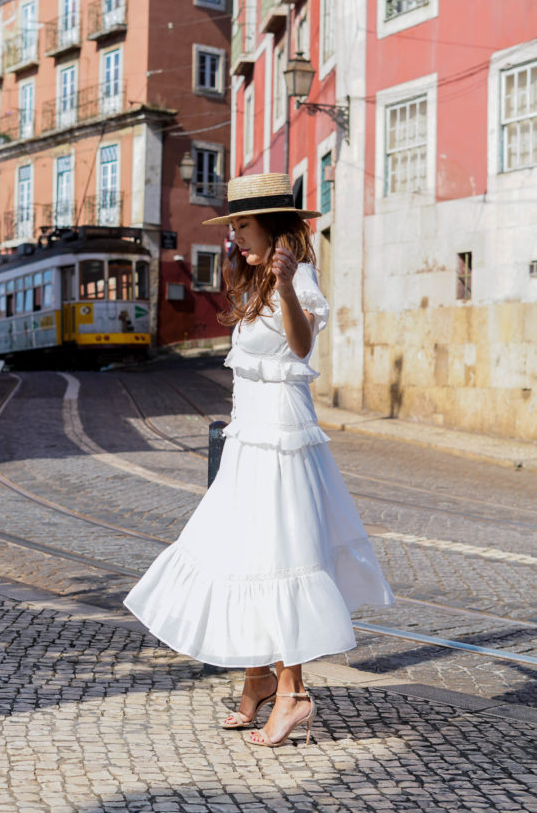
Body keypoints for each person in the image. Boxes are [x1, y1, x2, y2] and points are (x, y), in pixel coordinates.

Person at [124, 172, 394, 748]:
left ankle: (292, 693)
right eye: (234, 227)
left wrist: (289, 287)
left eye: (243, 226)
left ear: (272, 226)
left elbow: (300, 345)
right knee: (240, 550)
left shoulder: (299, 277)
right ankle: (258, 678)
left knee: (280, 553)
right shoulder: (251, 282)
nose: (235, 237)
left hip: (281, 439)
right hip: (250, 435)